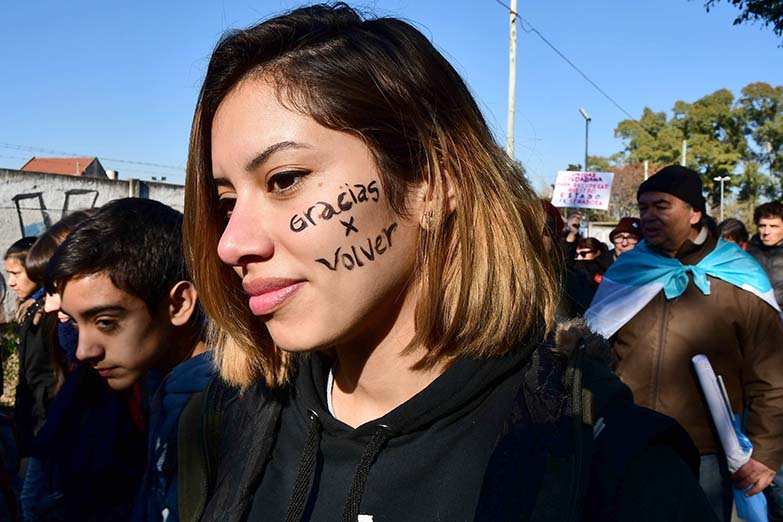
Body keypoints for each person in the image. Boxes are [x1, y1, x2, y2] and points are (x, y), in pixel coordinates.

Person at [180, 5, 715, 522]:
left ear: (432, 181)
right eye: (226, 202)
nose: (230, 244)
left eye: (284, 180)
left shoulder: (614, 469)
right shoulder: (222, 422)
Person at [586, 165, 783, 521]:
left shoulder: (740, 276)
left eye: (661, 206)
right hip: (628, 440)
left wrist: (766, 452)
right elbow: (593, 356)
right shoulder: (627, 270)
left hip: (705, 452)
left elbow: (770, 373)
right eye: (644, 207)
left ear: (695, 213)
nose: (648, 216)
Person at [47, 198, 211, 522]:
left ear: (179, 304)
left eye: (106, 322)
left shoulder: (228, 413)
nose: (83, 351)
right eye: (74, 322)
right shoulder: (162, 387)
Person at [746, 201, 783, 308]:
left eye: (774, 226)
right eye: (762, 226)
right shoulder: (747, 253)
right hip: (753, 311)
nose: (766, 232)